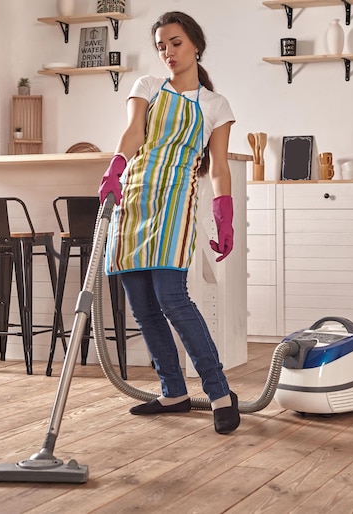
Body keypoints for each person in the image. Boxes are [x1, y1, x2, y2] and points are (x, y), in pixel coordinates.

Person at [98, 11, 240, 434]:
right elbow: (133, 133)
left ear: (195, 44)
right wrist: (115, 167)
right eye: (161, 46)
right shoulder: (146, 87)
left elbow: (217, 168)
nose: (168, 52)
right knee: (142, 307)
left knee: (173, 300)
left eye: (175, 43)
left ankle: (218, 392)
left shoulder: (215, 105)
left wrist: (223, 213)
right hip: (135, 198)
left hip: (175, 204)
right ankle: (173, 391)